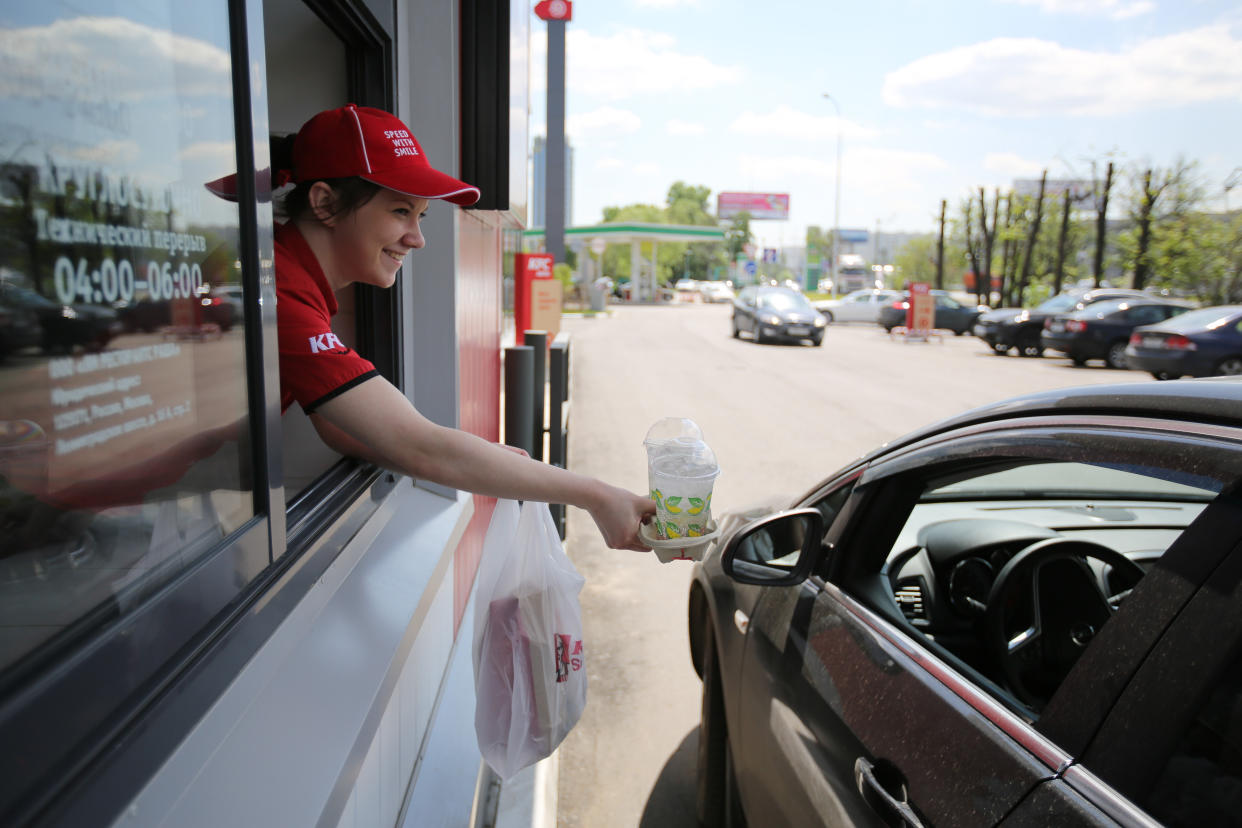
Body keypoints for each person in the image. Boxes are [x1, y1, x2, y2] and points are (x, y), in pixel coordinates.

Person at [269, 104, 653, 550]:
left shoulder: (291, 281)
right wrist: (597, 496)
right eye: (399, 211)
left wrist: (494, 463)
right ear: (324, 203)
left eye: (420, 216)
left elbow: (343, 428)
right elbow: (419, 445)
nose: (417, 237)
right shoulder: (277, 293)